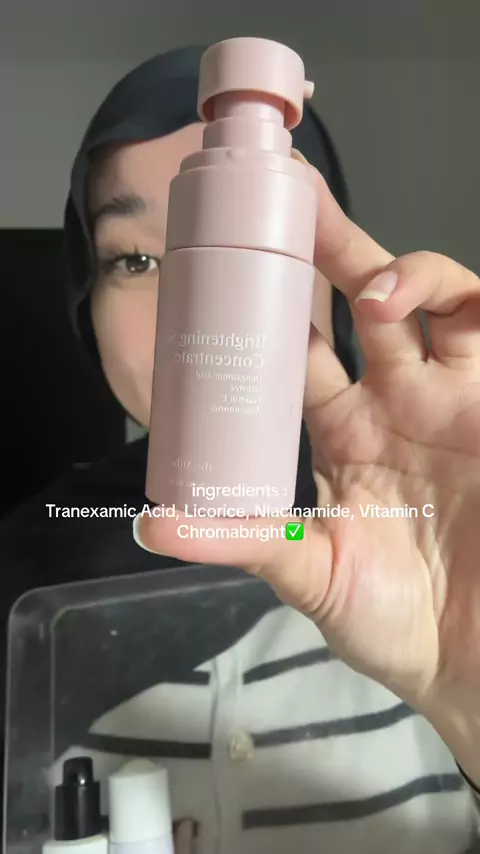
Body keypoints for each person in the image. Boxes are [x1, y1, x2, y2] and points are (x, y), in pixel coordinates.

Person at [2, 45, 480, 854]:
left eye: (250, 242)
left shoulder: (427, 547)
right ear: (85, 298)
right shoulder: (24, 564)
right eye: (136, 259)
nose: (193, 299)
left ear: (327, 276)